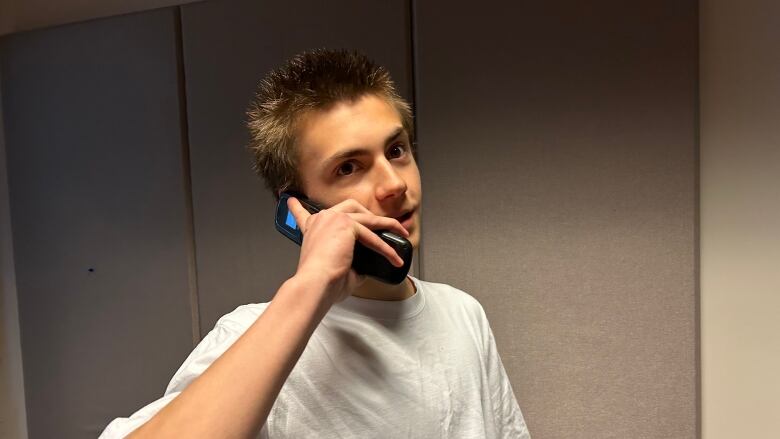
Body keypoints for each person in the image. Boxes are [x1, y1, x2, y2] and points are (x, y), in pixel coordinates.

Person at [100, 49, 530, 438]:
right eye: (349, 167)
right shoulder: (255, 333)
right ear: (300, 209)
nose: (395, 184)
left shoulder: (463, 313)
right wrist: (310, 288)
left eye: (396, 150)